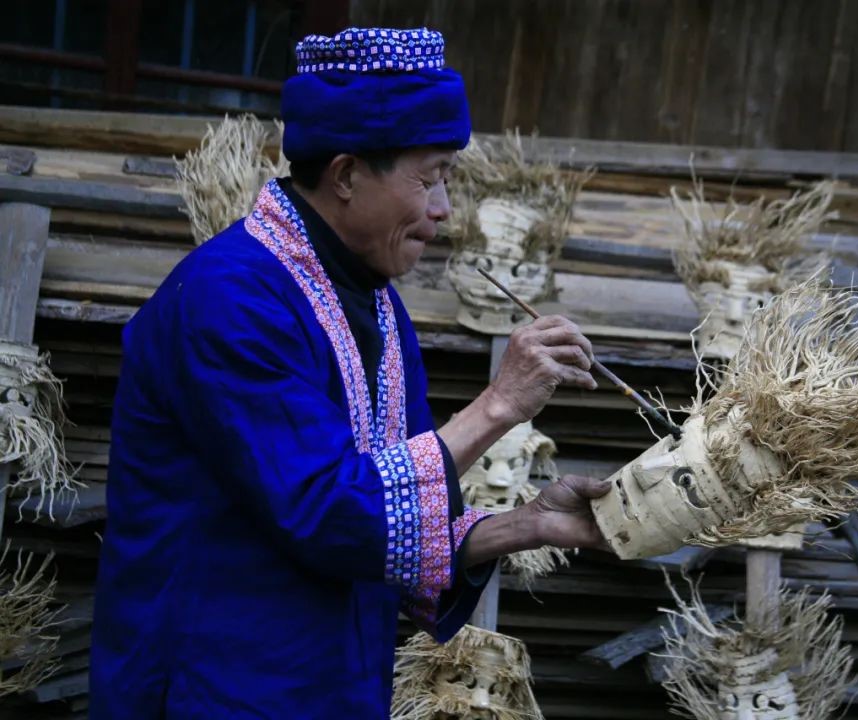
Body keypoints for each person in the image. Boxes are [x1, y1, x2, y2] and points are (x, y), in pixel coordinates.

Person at [89, 26, 610, 719]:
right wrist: (498, 405)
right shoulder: (229, 298)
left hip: (328, 689)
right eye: (428, 179)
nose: (442, 209)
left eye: (447, 179)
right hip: (211, 687)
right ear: (345, 175)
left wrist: (530, 525)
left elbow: (392, 527)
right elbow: (331, 510)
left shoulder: (374, 304)